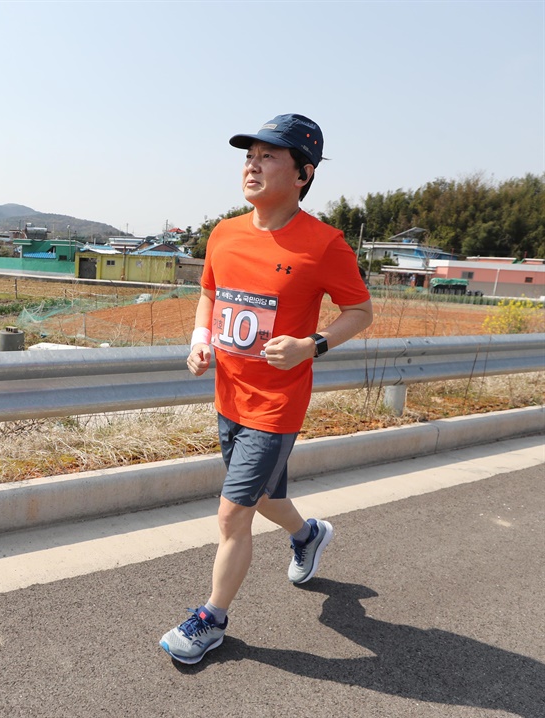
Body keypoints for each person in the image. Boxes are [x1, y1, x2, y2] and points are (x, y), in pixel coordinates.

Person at [160, 114, 374, 664]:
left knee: (234, 513)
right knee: (267, 497)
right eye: (248, 155)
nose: (252, 164)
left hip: (277, 404)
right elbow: (210, 292)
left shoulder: (324, 244)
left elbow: (360, 310)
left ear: (303, 174)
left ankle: (211, 618)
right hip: (229, 393)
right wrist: (200, 339)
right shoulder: (225, 234)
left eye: (268, 156)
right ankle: (307, 536)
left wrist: (313, 345)